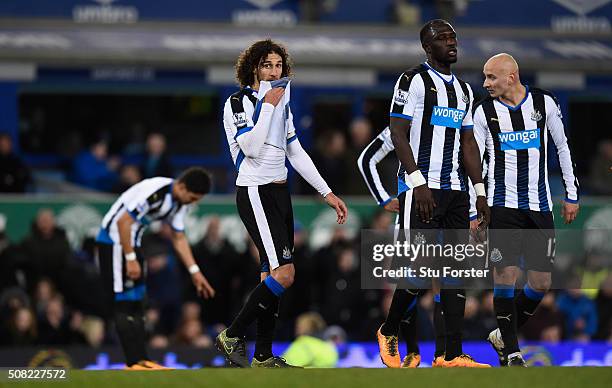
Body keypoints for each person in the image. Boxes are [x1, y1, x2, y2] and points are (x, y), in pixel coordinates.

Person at [217, 39, 348, 368]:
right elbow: (250, 146)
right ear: (253, 68)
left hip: (279, 192)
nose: (274, 71)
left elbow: (295, 151)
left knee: (270, 277)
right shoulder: (237, 103)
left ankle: (262, 355)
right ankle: (232, 334)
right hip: (255, 191)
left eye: (278, 66)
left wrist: (326, 192)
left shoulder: (282, 103)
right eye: (266, 65)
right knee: (286, 274)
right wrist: (267, 105)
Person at [377, 19, 490, 368]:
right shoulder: (412, 80)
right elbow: (398, 132)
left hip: (456, 190)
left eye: (453, 36)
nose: (450, 42)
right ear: (428, 47)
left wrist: (479, 191)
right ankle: (389, 329)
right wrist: (417, 181)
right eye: (441, 38)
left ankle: (451, 355)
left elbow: (469, 143)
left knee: (456, 271)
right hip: (421, 189)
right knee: (420, 268)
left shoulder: (466, 91)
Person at [473, 53, 580, 366]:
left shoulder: (544, 104)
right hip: (500, 206)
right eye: (485, 77)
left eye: (492, 77)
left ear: (512, 76)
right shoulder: (483, 112)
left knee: (541, 283)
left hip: (539, 206)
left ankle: (502, 334)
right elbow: (473, 166)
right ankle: (513, 351)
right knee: (505, 274)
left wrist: (571, 194)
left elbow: (562, 146)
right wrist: (474, 210)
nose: (486, 83)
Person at [95, 167, 215, 370]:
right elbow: (123, 222)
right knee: (124, 301)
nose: (193, 202)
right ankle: (133, 362)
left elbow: (178, 237)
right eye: (193, 197)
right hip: (114, 242)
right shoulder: (155, 192)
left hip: (132, 243)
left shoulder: (179, 203)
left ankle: (142, 360)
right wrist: (130, 257)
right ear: (182, 186)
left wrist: (195, 271)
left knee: (139, 302)